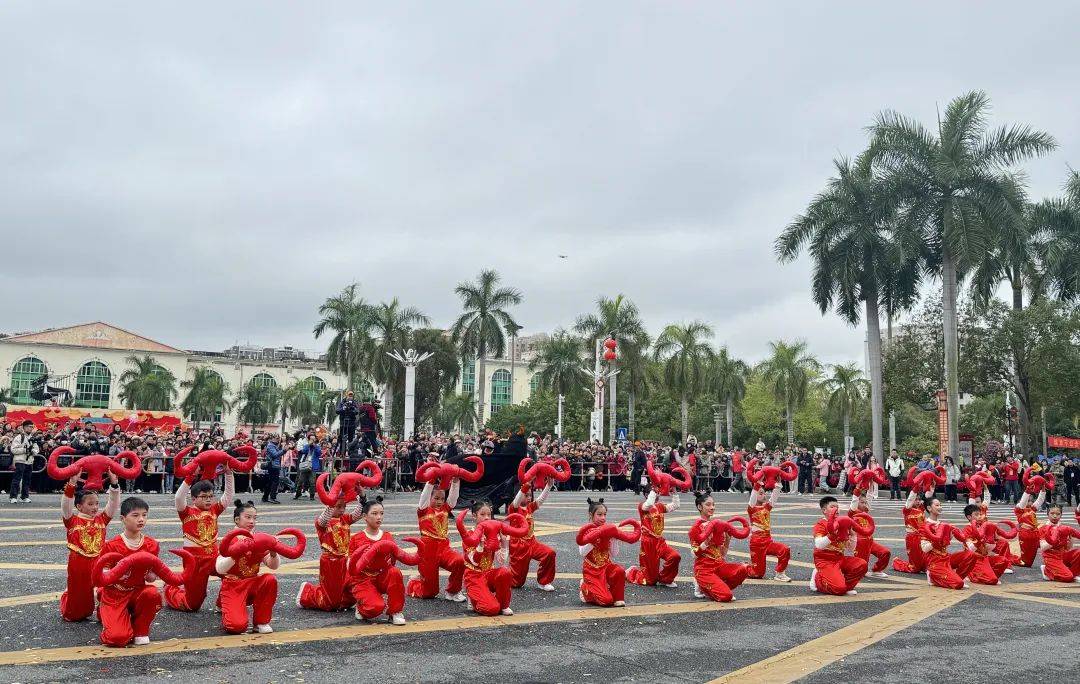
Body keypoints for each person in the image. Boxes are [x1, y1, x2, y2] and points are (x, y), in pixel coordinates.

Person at [164, 467, 235, 612]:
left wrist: (229, 473)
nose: (208, 499)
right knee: (192, 605)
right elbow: (178, 498)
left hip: (214, 559)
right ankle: (169, 589)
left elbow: (228, 495)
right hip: (194, 562)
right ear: (194, 498)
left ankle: (223, 603)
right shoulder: (186, 512)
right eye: (204, 496)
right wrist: (190, 476)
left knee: (234, 573)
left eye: (210, 496)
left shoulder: (214, 510)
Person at [97, 497, 163, 647]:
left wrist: (153, 572)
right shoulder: (111, 546)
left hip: (137, 591)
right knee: (117, 638)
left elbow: (151, 578)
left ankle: (141, 630)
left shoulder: (152, 545)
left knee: (152, 594)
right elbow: (103, 576)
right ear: (123, 518)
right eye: (135, 515)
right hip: (114, 593)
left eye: (144, 515)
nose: (141, 519)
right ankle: (106, 612)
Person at [60, 472, 121, 621]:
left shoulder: (102, 519)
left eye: (97, 504)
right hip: (78, 562)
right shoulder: (71, 520)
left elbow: (112, 504)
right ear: (79, 506)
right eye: (90, 504)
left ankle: (105, 611)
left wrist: (114, 485)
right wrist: (72, 483)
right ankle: (70, 604)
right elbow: (66, 503)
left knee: (104, 587)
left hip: (98, 561)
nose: (95, 507)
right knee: (78, 598)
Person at [215, 500, 281, 634]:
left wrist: (274, 553)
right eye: (248, 517)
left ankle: (261, 622)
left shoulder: (258, 539)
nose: (252, 521)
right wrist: (235, 555)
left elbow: (272, 565)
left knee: (270, 579)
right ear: (237, 520)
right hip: (234, 584)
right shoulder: (229, 540)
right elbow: (219, 568)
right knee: (236, 627)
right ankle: (225, 603)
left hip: (252, 582)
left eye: (254, 518)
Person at [348, 496, 408, 624]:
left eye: (381, 513)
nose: (379, 517)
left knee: (395, 572)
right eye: (374, 514)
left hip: (381, 576)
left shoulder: (387, 536)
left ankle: (395, 611)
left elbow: (392, 562)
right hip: (363, 579)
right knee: (375, 608)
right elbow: (351, 566)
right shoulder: (356, 539)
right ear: (365, 516)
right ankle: (361, 606)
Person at [298, 494, 363, 611]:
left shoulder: (345, 519)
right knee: (330, 603)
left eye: (344, 506)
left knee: (352, 591)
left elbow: (358, 514)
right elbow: (324, 518)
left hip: (344, 560)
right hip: (330, 562)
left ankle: (339, 601)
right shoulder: (323, 523)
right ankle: (307, 592)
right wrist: (331, 501)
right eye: (338, 507)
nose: (342, 510)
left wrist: (361, 497)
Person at [406, 474, 466, 601]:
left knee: (459, 561)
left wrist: (455, 482)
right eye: (436, 498)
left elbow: (453, 499)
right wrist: (430, 482)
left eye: (442, 498)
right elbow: (424, 496)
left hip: (444, 549)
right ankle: (413, 584)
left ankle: (453, 591)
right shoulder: (423, 510)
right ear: (430, 498)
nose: (439, 501)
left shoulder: (445, 508)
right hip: (427, 552)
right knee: (430, 593)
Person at [689, 491, 750, 602]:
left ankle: (718, 587)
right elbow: (694, 554)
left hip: (719, 565)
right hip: (704, 570)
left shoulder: (717, 525)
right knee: (726, 596)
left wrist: (727, 539)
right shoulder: (695, 528)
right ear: (699, 507)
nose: (712, 507)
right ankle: (702, 586)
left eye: (713, 504)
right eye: (708, 505)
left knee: (744, 569)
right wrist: (705, 543)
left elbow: (722, 554)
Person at [458, 499, 515, 616]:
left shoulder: (493, 533)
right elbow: (473, 560)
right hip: (474, 576)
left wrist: (504, 543)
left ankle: (503, 604)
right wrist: (480, 546)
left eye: (489, 514)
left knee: (505, 572)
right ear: (474, 516)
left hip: (488, 573)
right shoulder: (469, 535)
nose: (487, 518)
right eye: (482, 514)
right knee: (492, 609)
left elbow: (501, 561)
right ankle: (473, 598)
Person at [576, 497, 632, 607]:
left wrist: (614, 538)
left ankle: (617, 597)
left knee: (619, 571)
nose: (603, 518)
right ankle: (585, 588)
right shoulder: (586, 530)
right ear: (591, 515)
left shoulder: (608, 529)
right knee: (606, 601)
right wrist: (595, 538)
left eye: (605, 514)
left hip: (606, 566)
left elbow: (614, 554)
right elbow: (582, 552)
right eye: (599, 514)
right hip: (592, 570)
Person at [507, 478, 557, 591]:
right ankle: (503, 577)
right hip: (518, 547)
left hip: (532, 542)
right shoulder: (513, 509)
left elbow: (540, 500)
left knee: (549, 553)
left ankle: (544, 581)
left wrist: (548, 486)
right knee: (517, 583)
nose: (529, 498)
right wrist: (525, 487)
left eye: (530, 495)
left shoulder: (530, 507)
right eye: (526, 495)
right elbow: (517, 500)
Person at [811, 496, 867, 595]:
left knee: (861, 564)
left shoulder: (842, 523)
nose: (836, 509)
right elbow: (819, 545)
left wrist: (853, 535)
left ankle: (846, 587)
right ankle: (817, 578)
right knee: (838, 589)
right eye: (832, 507)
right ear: (824, 510)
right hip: (825, 560)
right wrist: (832, 535)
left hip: (839, 558)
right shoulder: (821, 524)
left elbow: (850, 549)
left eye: (837, 507)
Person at [627, 486, 682, 588]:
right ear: (647, 495)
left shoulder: (660, 506)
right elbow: (648, 504)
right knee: (650, 580)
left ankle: (665, 579)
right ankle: (631, 572)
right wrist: (654, 490)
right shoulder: (642, 507)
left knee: (675, 557)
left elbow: (675, 505)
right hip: (648, 543)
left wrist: (674, 492)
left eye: (658, 493)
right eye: (656, 493)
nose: (658, 495)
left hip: (659, 541)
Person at [920, 497, 977, 590]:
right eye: (937, 505)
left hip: (946, 558)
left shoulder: (943, 524)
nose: (940, 507)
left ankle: (956, 577)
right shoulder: (924, 525)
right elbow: (924, 549)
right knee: (958, 584)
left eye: (940, 505)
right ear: (929, 508)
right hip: (934, 561)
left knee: (971, 555)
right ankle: (932, 576)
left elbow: (950, 540)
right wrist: (936, 542)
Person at [746, 484, 791, 582]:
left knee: (784, 549)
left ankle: (780, 574)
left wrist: (778, 486)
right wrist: (756, 485)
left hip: (768, 542)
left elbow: (773, 498)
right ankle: (744, 567)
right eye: (761, 493)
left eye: (764, 493)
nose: (764, 495)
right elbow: (752, 498)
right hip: (757, 544)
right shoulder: (751, 509)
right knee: (758, 574)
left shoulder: (766, 507)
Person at [961, 504, 1011, 586]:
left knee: (1003, 561)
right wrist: (981, 542)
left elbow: (991, 543)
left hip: (984, 557)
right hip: (974, 559)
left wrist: (991, 546)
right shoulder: (967, 529)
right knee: (993, 580)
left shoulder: (982, 526)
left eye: (980, 514)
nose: (979, 516)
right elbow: (970, 548)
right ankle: (971, 574)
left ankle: (985, 572)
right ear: (969, 517)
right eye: (976, 515)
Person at [848, 492, 890, 579]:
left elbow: (870, 496)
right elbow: (854, 500)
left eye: (865, 502)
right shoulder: (852, 513)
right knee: (862, 566)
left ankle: (877, 570)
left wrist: (871, 483)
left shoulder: (865, 511)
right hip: (860, 543)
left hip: (869, 540)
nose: (864, 504)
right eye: (862, 502)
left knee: (885, 553)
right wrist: (857, 489)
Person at [1039, 503, 1080, 583]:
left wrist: (1071, 539)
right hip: (1051, 557)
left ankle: (1073, 574)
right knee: (1068, 577)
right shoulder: (1043, 529)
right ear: (1048, 514)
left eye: (1058, 514)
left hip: (1062, 555)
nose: (1055, 516)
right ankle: (1046, 570)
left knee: (1079, 553)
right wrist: (1055, 539)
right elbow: (1043, 547)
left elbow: (1068, 548)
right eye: (1052, 513)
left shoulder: (1064, 528)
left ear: (1061, 515)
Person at [892, 488, 929, 574]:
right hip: (912, 538)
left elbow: (928, 497)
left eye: (919, 499)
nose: (918, 501)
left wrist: (931, 487)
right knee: (914, 568)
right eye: (916, 499)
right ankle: (896, 562)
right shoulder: (907, 510)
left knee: (925, 564)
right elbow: (910, 500)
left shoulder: (921, 508)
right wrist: (915, 489)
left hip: (923, 537)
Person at [1014, 485, 1047, 567]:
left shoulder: (1032, 509)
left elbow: (1040, 500)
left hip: (1035, 534)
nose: (1030, 502)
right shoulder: (1019, 510)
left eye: (1031, 501)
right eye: (1028, 500)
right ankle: (1014, 560)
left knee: (1031, 557)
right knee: (1026, 562)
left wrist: (1043, 490)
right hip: (1025, 535)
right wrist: (1027, 491)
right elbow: (1022, 503)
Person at [10, 420, 39, 503]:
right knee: (17, 479)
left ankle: (24, 496)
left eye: (32, 427)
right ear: (24, 427)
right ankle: (13, 496)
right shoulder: (19, 437)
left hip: (29, 461)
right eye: (30, 427)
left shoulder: (32, 438)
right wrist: (25, 450)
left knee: (27, 479)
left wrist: (33, 451)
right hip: (20, 460)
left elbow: (37, 449)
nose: (31, 428)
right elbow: (13, 449)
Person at [294, 435, 321, 501]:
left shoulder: (317, 447)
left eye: (313, 439)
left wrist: (315, 446)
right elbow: (303, 451)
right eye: (311, 439)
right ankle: (298, 494)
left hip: (313, 466)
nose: (312, 441)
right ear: (309, 440)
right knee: (300, 481)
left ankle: (312, 496)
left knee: (312, 482)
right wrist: (308, 445)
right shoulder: (307, 446)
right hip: (305, 465)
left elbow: (319, 453)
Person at [261, 436, 283, 504]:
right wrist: (284, 450)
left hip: (274, 465)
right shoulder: (271, 446)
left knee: (270, 482)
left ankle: (265, 497)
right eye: (276, 438)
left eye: (278, 438)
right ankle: (272, 497)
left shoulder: (274, 445)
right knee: (274, 482)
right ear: (272, 439)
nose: (278, 439)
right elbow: (275, 455)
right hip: (273, 465)